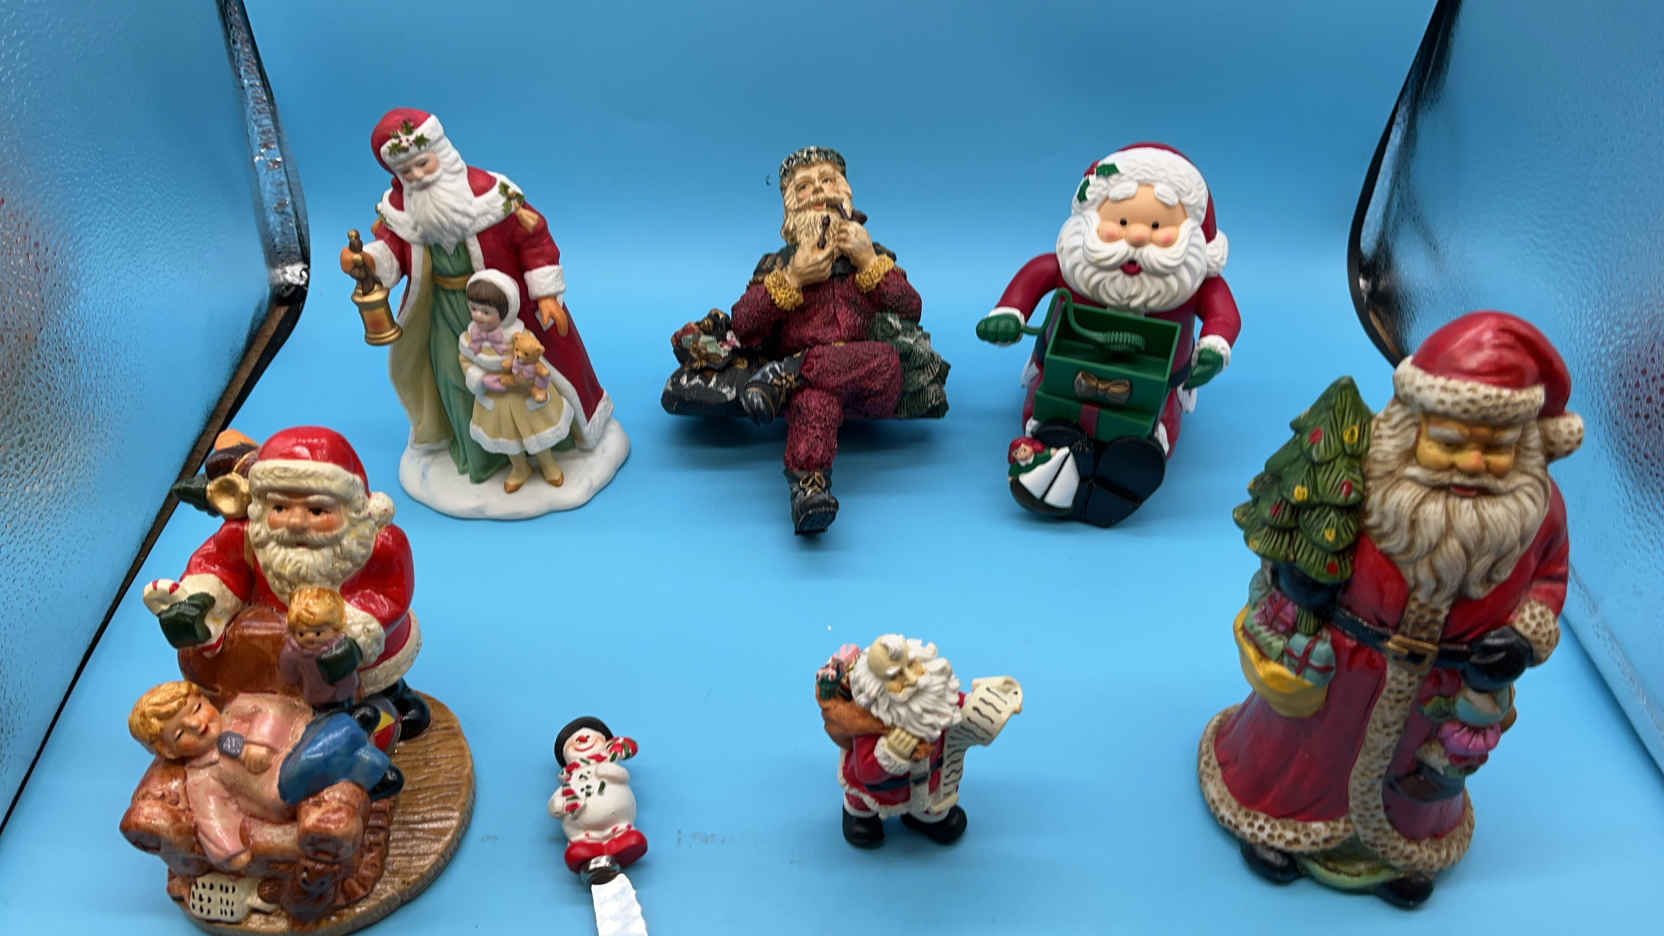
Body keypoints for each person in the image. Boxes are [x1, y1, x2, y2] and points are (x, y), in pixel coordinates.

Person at [1198, 312, 1582, 908]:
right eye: (1449, 443)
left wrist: (1523, 640)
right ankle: (1280, 822)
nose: (1471, 465)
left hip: (1447, 683)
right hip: (1347, 665)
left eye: (1495, 449)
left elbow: (1549, 581)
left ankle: (1400, 851)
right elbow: (1305, 528)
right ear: (1412, 428)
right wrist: (1297, 576)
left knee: (1420, 776)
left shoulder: (1538, 512)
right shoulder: (1369, 477)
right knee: (1308, 752)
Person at [339, 108, 615, 490]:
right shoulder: (401, 211)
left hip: (505, 307)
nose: (418, 175)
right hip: (443, 310)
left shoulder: (493, 196)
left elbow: (533, 240)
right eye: (407, 171)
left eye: (423, 162)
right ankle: (482, 458)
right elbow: (393, 252)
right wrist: (367, 261)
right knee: (456, 380)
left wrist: (546, 293)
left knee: (531, 375)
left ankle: (551, 448)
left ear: (441, 152)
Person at [976, 143, 1241, 526]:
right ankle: (1054, 451)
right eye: (1121, 222)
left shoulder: (1193, 283)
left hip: (1157, 383)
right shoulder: (1076, 266)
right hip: (1065, 369)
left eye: (1157, 227)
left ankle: (1128, 465)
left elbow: (1224, 314)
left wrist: (1214, 346)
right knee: (1052, 405)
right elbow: (1038, 273)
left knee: (1153, 423)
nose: (1137, 236)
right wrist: (1010, 312)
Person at [141, 426, 430, 738]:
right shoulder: (251, 536)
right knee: (298, 690)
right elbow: (220, 566)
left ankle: (391, 692)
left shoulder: (377, 543)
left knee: (370, 678)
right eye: (279, 507)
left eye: (316, 510)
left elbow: (388, 593)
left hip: (364, 644)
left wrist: (351, 639)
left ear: (349, 507)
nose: (295, 522)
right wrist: (201, 601)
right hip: (279, 643)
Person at [726, 146, 947, 533]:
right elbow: (744, 325)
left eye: (827, 180)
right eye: (804, 186)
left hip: (871, 380)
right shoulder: (778, 264)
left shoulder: (873, 253)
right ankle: (809, 492)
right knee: (814, 402)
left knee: (884, 359)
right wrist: (793, 278)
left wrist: (868, 262)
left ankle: (790, 372)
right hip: (812, 390)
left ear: (844, 191)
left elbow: (911, 308)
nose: (818, 191)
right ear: (790, 205)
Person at [128, 681, 400, 871]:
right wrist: (229, 851)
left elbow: (273, 707)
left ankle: (368, 768)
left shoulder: (236, 710)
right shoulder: (202, 777)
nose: (198, 725)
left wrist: (259, 743)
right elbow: (212, 816)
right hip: (283, 787)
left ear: (205, 700)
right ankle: (349, 732)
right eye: (180, 733)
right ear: (169, 751)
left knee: (315, 740)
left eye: (197, 709)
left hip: (302, 737)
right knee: (306, 763)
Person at [458, 270, 594, 492]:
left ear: (504, 312)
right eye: (473, 309)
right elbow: (464, 361)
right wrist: (481, 378)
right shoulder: (469, 338)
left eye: (486, 312)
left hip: (524, 394)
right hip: (496, 398)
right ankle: (519, 468)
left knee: (536, 432)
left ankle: (548, 464)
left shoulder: (519, 336)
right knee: (507, 437)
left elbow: (535, 357)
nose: (478, 316)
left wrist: (526, 376)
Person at [833, 635, 968, 848]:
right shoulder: (870, 721)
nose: (912, 680)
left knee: (933, 802)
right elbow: (865, 771)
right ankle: (860, 816)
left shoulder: (935, 694)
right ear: (877, 687)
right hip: (883, 789)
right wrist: (890, 755)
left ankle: (925, 818)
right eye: (896, 676)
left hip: (930, 776)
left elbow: (958, 704)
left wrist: (977, 705)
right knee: (863, 801)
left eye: (912, 666)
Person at [548, 716, 646, 873]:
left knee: (624, 832)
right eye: (573, 742)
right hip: (582, 830)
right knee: (581, 842)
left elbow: (622, 776)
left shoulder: (607, 763)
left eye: (589, 736)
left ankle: (623, 839)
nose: (582, 739)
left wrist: (611, 771)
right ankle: (585, 848)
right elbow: (555, 803)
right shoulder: (569, 779)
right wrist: (556, 805)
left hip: (618, 819)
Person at [278, 586, 357, 711]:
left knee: (348, 709)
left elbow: (353, 663)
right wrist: (290, 681)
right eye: (301, 633)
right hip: (316, 696)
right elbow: (287, 670)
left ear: (334, 629)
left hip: (344, 692)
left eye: (318, 633)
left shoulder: (340, 644)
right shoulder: (293, 652)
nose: (310, 638)